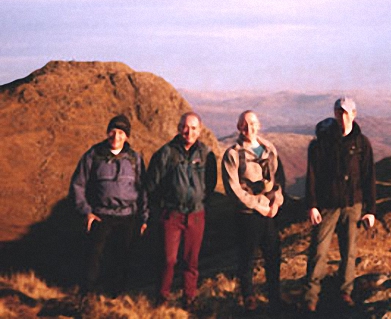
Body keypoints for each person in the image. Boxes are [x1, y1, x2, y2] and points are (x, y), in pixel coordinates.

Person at [304, 97, 376, 312]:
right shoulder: (322, 143)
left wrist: (370, 210)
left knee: (349, 251)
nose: (342, 117)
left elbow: (368, 177)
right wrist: (312, 205)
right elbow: (312, 176)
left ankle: (345, 292)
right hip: (327, 205)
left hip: (353, 205)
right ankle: (310, 297)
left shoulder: (362, 144)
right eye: (338, 113)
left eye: (346, 113)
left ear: (354, 114)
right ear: (335, 114)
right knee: (318, 251)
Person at [70, 114, 148, 297]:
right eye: (113, 131)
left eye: (121, 132)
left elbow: (143, 190)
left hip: (128, 217)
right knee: (94, 258)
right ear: (107, 132)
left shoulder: (135, 159)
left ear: (127, 136)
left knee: (122, 258)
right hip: (101, 215)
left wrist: (144, 218)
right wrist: (86, 212)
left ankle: (115, 298)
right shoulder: (93, 155)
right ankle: (87, 297)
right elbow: (78, 185)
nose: (116, 136)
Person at [146, 111, 217, 311]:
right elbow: (152, 184)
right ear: (179, 128)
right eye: (185, 127)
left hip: (196, 215)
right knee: (168, 260)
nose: (189, 131)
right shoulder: (166, 153)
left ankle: (189, 298)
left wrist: (201, 201)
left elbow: (210, 183)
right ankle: (161, 298)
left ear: (200, 130)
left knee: (191, 261)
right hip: (172, 214)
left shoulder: (206, 154)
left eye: (193, 128)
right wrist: (161, 206)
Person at [222, 110, 284, 313]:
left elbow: (277, 180)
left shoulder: (269, 149)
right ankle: (249, 297)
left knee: (273, 255)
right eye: (245, 124)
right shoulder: (232, 155)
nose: (250, 128)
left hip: (269, 213)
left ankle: (275, 296)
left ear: (259, 125)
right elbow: (234, 190)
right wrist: (258, 206)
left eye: (253, 123)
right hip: (247, 215)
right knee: (247, 257)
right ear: (239, 126)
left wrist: (275, 203)